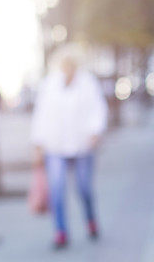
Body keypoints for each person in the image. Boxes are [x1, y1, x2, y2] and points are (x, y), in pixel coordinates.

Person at [30, 47, 107, 249]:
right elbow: (41, 114)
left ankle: (91, 221)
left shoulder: (88, 82)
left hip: (82, 144)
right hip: (55, 145)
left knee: (84, 188)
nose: (68, 69)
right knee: (57, 188)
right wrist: (38, 143)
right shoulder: (50, 84)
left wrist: (95, 131)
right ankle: (61, 231)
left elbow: (97, 108)